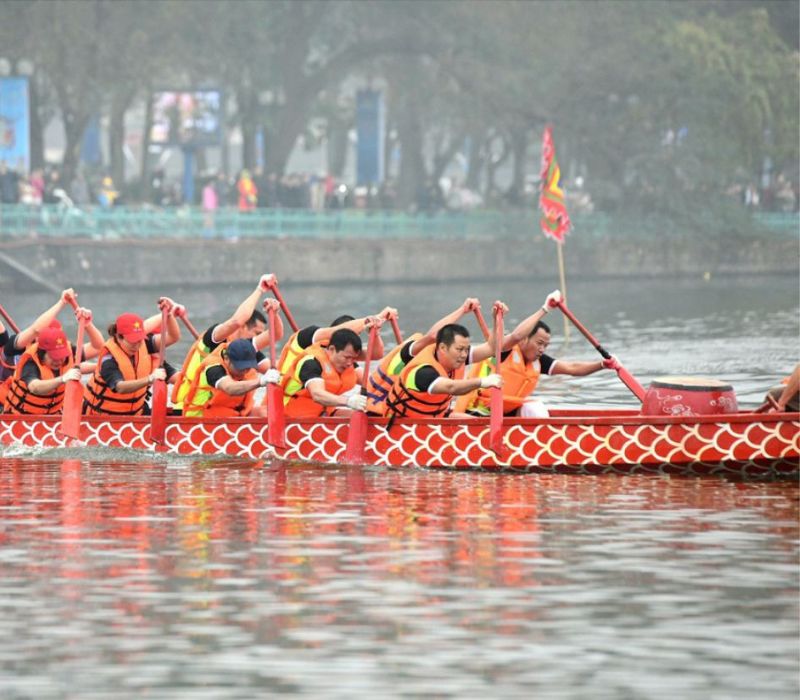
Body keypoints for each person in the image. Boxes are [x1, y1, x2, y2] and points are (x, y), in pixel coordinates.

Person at [458, 291, 620, 418]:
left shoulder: (539, 362)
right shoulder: (505, 351)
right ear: (524, 341)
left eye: (546, 345)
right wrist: (545, 309)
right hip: (478, 412)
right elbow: (516, 336)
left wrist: (602, 365)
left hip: (508, 415)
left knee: (534, 408)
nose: (542, 349)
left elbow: (572, 368)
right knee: (534, 407)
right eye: (539, 343)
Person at [171, 275, 282, 413]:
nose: (259, 338)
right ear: (244, 327)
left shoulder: (244, 349)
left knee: (265, 412)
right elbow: (236, 321)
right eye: (256, 333)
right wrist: (260, 289)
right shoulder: (213, 340)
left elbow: (275, 335)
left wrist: (275, 314)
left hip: (225, 410)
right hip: (190, 410)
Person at [383, 303, 506, 422]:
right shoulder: (423, 372)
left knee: (478, 422)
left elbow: (491, 348)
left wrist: (497, 321)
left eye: (466, 349)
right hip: (402, 425)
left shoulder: (455, 356)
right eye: (459, 349)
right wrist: (483, 381)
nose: (464, 355)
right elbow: (451, 387)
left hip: (432, 418)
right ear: (443, 348)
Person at [365, 298, 481, 416]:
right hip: (383, 413)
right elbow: (432, 335)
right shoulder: (412, 353)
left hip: (418, 412)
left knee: (469, 419)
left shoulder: (431, 356)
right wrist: (463, 310)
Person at [83, 312, 176, 416]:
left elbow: (173, 337)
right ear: (119, 337)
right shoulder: (108, 359)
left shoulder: (143, 346)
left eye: (140, 340)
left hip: (135, 413)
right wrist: (150, 379)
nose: (137, 346)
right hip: (103, 417)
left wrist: (169, 315)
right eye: (133, 341)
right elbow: (120, 387)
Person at [281, 328, 369, 418]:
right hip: (291, 418)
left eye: (353, 359)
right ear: (331, 349)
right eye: (346, 357)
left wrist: (376, 334)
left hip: (322, 414)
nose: (350, 363)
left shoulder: (345, 363)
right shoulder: (311, 362)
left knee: (365, 417)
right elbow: (317, 395)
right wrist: (348, 401)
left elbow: (375, 354)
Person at [276, 307, 394, 374]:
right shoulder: (307, 337)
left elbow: (376, 354)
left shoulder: (344, 357)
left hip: (314, 410)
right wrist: (377, 317)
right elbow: (336, 330)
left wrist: (376, 333)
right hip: (284, 405)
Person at [182, 339, 280, 418]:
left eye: (248, 367)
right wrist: (261, 381)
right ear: (227, 359)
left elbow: (275, 333)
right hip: (200, 421)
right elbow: (230, 388)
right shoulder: (213, 368)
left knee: (265, 412)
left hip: (230, 415)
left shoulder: (248, 365)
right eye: (240, 367)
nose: (245, 371)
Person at [2, 326, 81, 415]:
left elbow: (95, 348)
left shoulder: (69, 353)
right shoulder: (31, 362)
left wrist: (88, 325)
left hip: (52, 417)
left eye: (61, 356)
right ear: (42, 354)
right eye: (54, 357)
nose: (59, 361)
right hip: (22, 417)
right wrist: (62, 379)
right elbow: (34, 387)